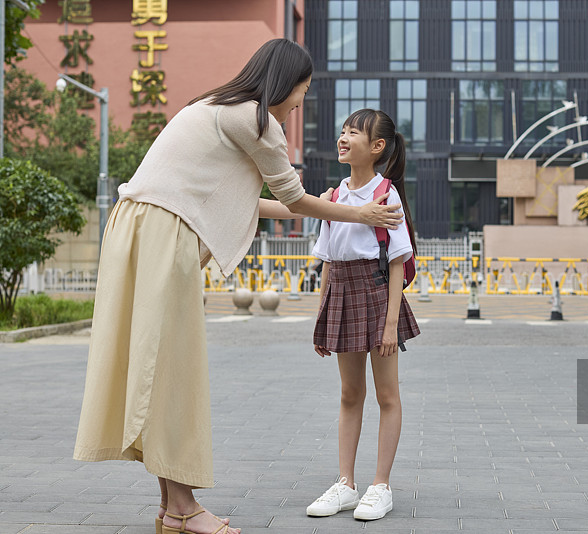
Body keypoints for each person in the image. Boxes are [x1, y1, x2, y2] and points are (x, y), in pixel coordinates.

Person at [72, 40, 403, 534]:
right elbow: (294, 200)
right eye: (303, 91)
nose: (300, 103)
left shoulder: (214, 106)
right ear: (287, 83)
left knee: (156, 368)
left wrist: (339, 208)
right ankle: (184, 508)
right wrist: (358, 213)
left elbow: (261, 202)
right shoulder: (257, 120)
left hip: (135, 227)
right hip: (163, 233)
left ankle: (172, 508)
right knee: (173, 373)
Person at [306, 109, 420, 521]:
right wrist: (321, 317)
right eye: (342, 130)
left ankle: (380, 486)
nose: (343, 137)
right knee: (349, 394)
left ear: (377, 147)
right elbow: (327, 261)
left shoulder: (386, 194)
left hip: (375, 294)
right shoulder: (333, 197)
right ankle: (345, 484)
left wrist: (390, 324)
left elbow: (397, 261)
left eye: (353, 132)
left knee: (387, 395)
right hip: (342, 293)